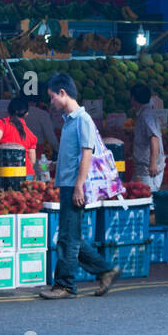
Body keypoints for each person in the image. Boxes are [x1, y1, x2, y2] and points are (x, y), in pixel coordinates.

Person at [40, 73, 121, 300]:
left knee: (67, 237)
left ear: (63, 93)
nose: (51, 102)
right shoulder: (70, 121)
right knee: (71, 236)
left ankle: (65, 285)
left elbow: (87, 153)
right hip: (67, 184)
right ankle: (105, 270)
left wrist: (79, 186)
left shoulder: (82, 120)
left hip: (74, 186)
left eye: (52, 97)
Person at [0, 95, 38, 181]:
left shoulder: (3, 123)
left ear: (9, 110)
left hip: (4, 174)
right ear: (26, 114)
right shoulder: (31, 135)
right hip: (27, 175)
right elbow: (32, 161)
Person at [131, 83, 166, 191]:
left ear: (133, 99)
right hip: (143, 169)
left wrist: (153, 163)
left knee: (146, 198)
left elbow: (154, 138)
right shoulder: (145, 114)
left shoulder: (147, 116)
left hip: (148, 170)